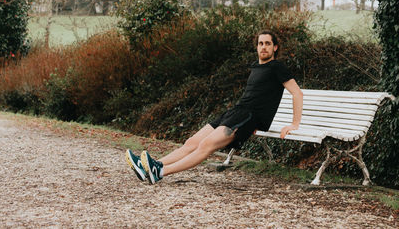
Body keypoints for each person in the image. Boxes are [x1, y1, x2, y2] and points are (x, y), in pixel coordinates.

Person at [126, 30, 303, 184]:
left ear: (275, 47)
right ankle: (149, 167)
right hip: (235, 112)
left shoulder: (277, 67)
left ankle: (160, 173)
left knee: (206, 145)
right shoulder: (256, 67)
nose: (263, 47)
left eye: (268, 44)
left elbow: (297, 93)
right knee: (191, 143)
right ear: (256, 47)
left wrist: (294, 124)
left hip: (247, 117)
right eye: (260, 43)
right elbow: (262, 95)